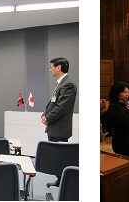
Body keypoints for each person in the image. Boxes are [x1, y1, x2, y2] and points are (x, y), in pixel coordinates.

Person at [41, 57, 77, 187]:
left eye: (51, 67)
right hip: (54, 126)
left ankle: (65, 182)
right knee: (56, 157)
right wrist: (45, 115)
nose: (50, 69)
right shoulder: (60, 83)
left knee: (60, 157)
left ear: (59, 67)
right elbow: (53, 103)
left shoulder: (68, 84)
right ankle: (60, 180)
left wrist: (48, 118)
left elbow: (62, 107)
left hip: (60, 128)